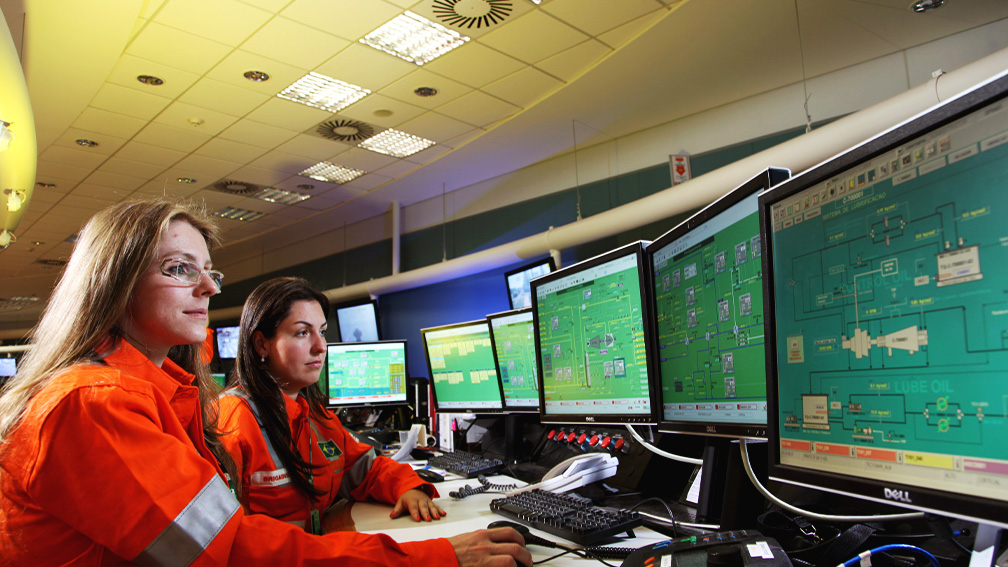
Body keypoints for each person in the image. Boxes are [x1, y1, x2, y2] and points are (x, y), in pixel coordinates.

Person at [0, 199, 531, 567]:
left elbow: (349, 469)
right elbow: (227, 552)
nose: (208, 286)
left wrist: (407, 488)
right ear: (113, 280)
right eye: (181, 269)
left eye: (209, 271)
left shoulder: (162, 395)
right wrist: (435, 557)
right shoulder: (95, 403)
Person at [217, 277, 442, 533]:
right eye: (302, 332)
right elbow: (226, 538)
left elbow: (365, 469)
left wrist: (408, 487)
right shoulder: (232, 420)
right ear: (261, 344)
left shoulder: (316, 417)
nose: (320, 346)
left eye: (321, 332)